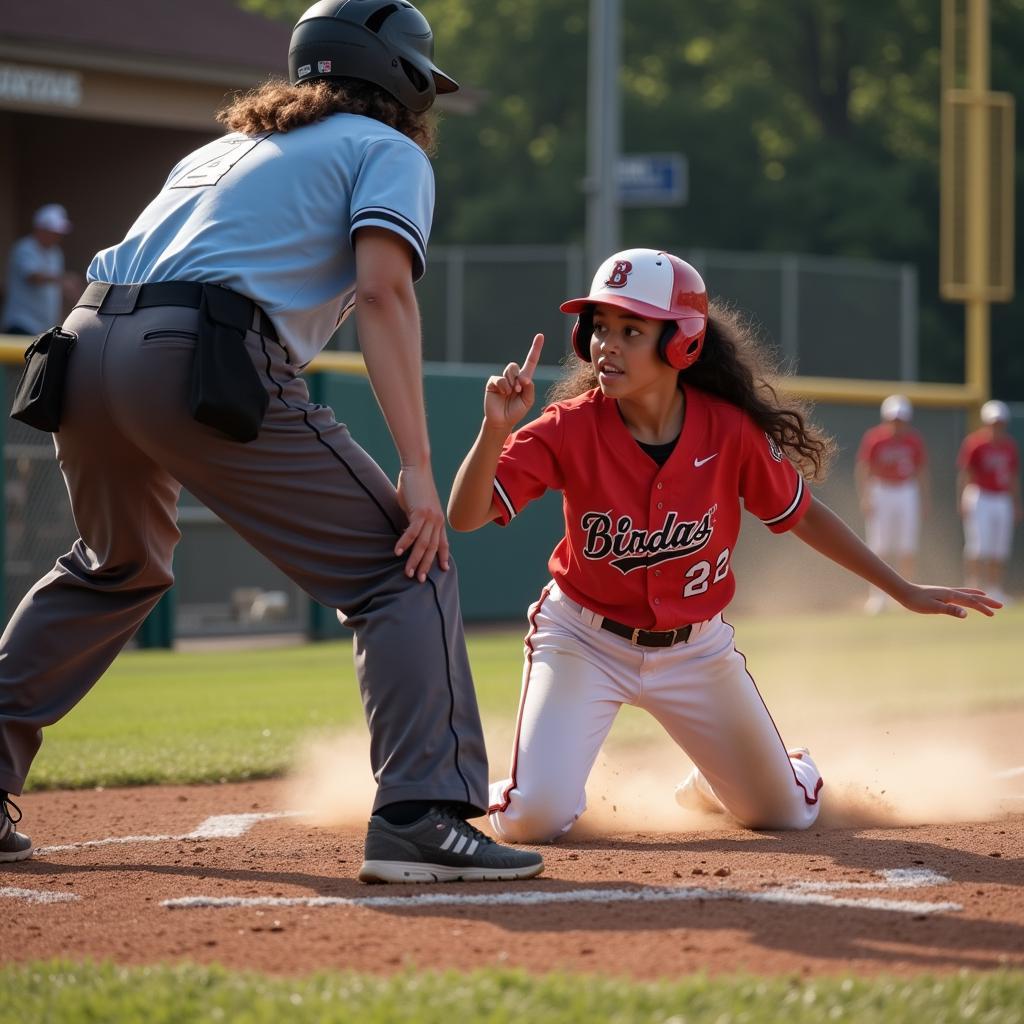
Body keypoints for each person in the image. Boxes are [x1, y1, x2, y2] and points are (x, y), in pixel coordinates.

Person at [0, 0, 543, 884]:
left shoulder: (217, 150)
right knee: (401, 564)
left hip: (79, 350)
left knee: (116, 565)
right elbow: (382, 294)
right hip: (194, 352)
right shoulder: (388, 150)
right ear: (401, 81)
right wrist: (415, 466)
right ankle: (422, 816)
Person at [447, 248, 999, 843]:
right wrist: (494, 429)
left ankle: (730, 780)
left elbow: (804, 516)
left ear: (681, 343)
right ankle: (481, 790)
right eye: (600, 327)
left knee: (783, 814)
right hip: (584, 640)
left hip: (696, 651)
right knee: (533, 819)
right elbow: (466, 514)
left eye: (632, 329)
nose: (608, 343)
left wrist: (901, 588)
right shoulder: (568, 427)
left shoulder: (729, 431)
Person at [855, 395, 929, 614]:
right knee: (879, 545)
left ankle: (907, 594)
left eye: (900, 419)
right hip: (881, 489)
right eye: (893, 419)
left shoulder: (914, 440)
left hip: (907, 490)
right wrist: (866, 496)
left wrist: (924, 499)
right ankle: (878, 596)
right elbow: (864, 468)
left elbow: (921, 470)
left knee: (907, 545)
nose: (896, 424)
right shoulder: (875, 438)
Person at [958, 400, 1021, 605]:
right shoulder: (975, 443)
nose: (996, 427)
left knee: (998, 547)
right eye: (993, 423)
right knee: (978, 546)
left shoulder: (1009, 446)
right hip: (980, 496)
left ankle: (995, 589)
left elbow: (1012, 477)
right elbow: (966, 473)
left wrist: (1016, 502)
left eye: (999, 423)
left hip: (1001, 498)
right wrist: (964, 497)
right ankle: (973, 588)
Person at [1, 204, 73, 336]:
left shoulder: (56, 253)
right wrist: (62, 279)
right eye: (53, 232)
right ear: (40, 229)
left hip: (44, 328)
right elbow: (32, 276)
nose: (57, 236)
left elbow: (54, 291)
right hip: (21, 324)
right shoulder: (24, 248)